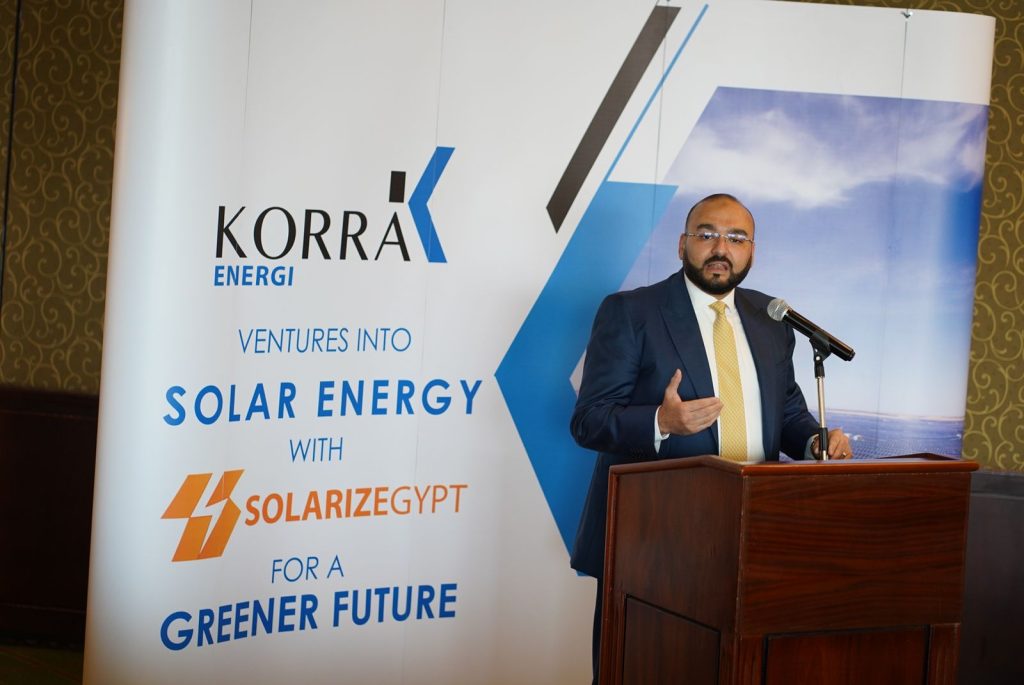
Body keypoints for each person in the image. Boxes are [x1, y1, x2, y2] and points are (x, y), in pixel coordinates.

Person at [569, 193, 851, 681]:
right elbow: (589, 420)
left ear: (752, 251)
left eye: (736, 238)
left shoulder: (770, 319)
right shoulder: (632, 312)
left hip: (756, 535)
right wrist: (662, 422)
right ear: (682, 245)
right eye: (707, 234)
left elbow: (785, 410)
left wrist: (813, 442)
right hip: (656, 541)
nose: (721, 247)